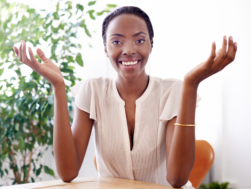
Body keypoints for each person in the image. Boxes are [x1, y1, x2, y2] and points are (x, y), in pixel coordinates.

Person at [13, 6, 237, 189]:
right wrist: (58, 87)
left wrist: (191, 84)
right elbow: (68, 172)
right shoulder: (92, 91)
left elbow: (177, 179)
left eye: (139, 40)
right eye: (117, 41)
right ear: (105, 48)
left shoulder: (173, 91)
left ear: (151, 45)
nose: (129, 50)